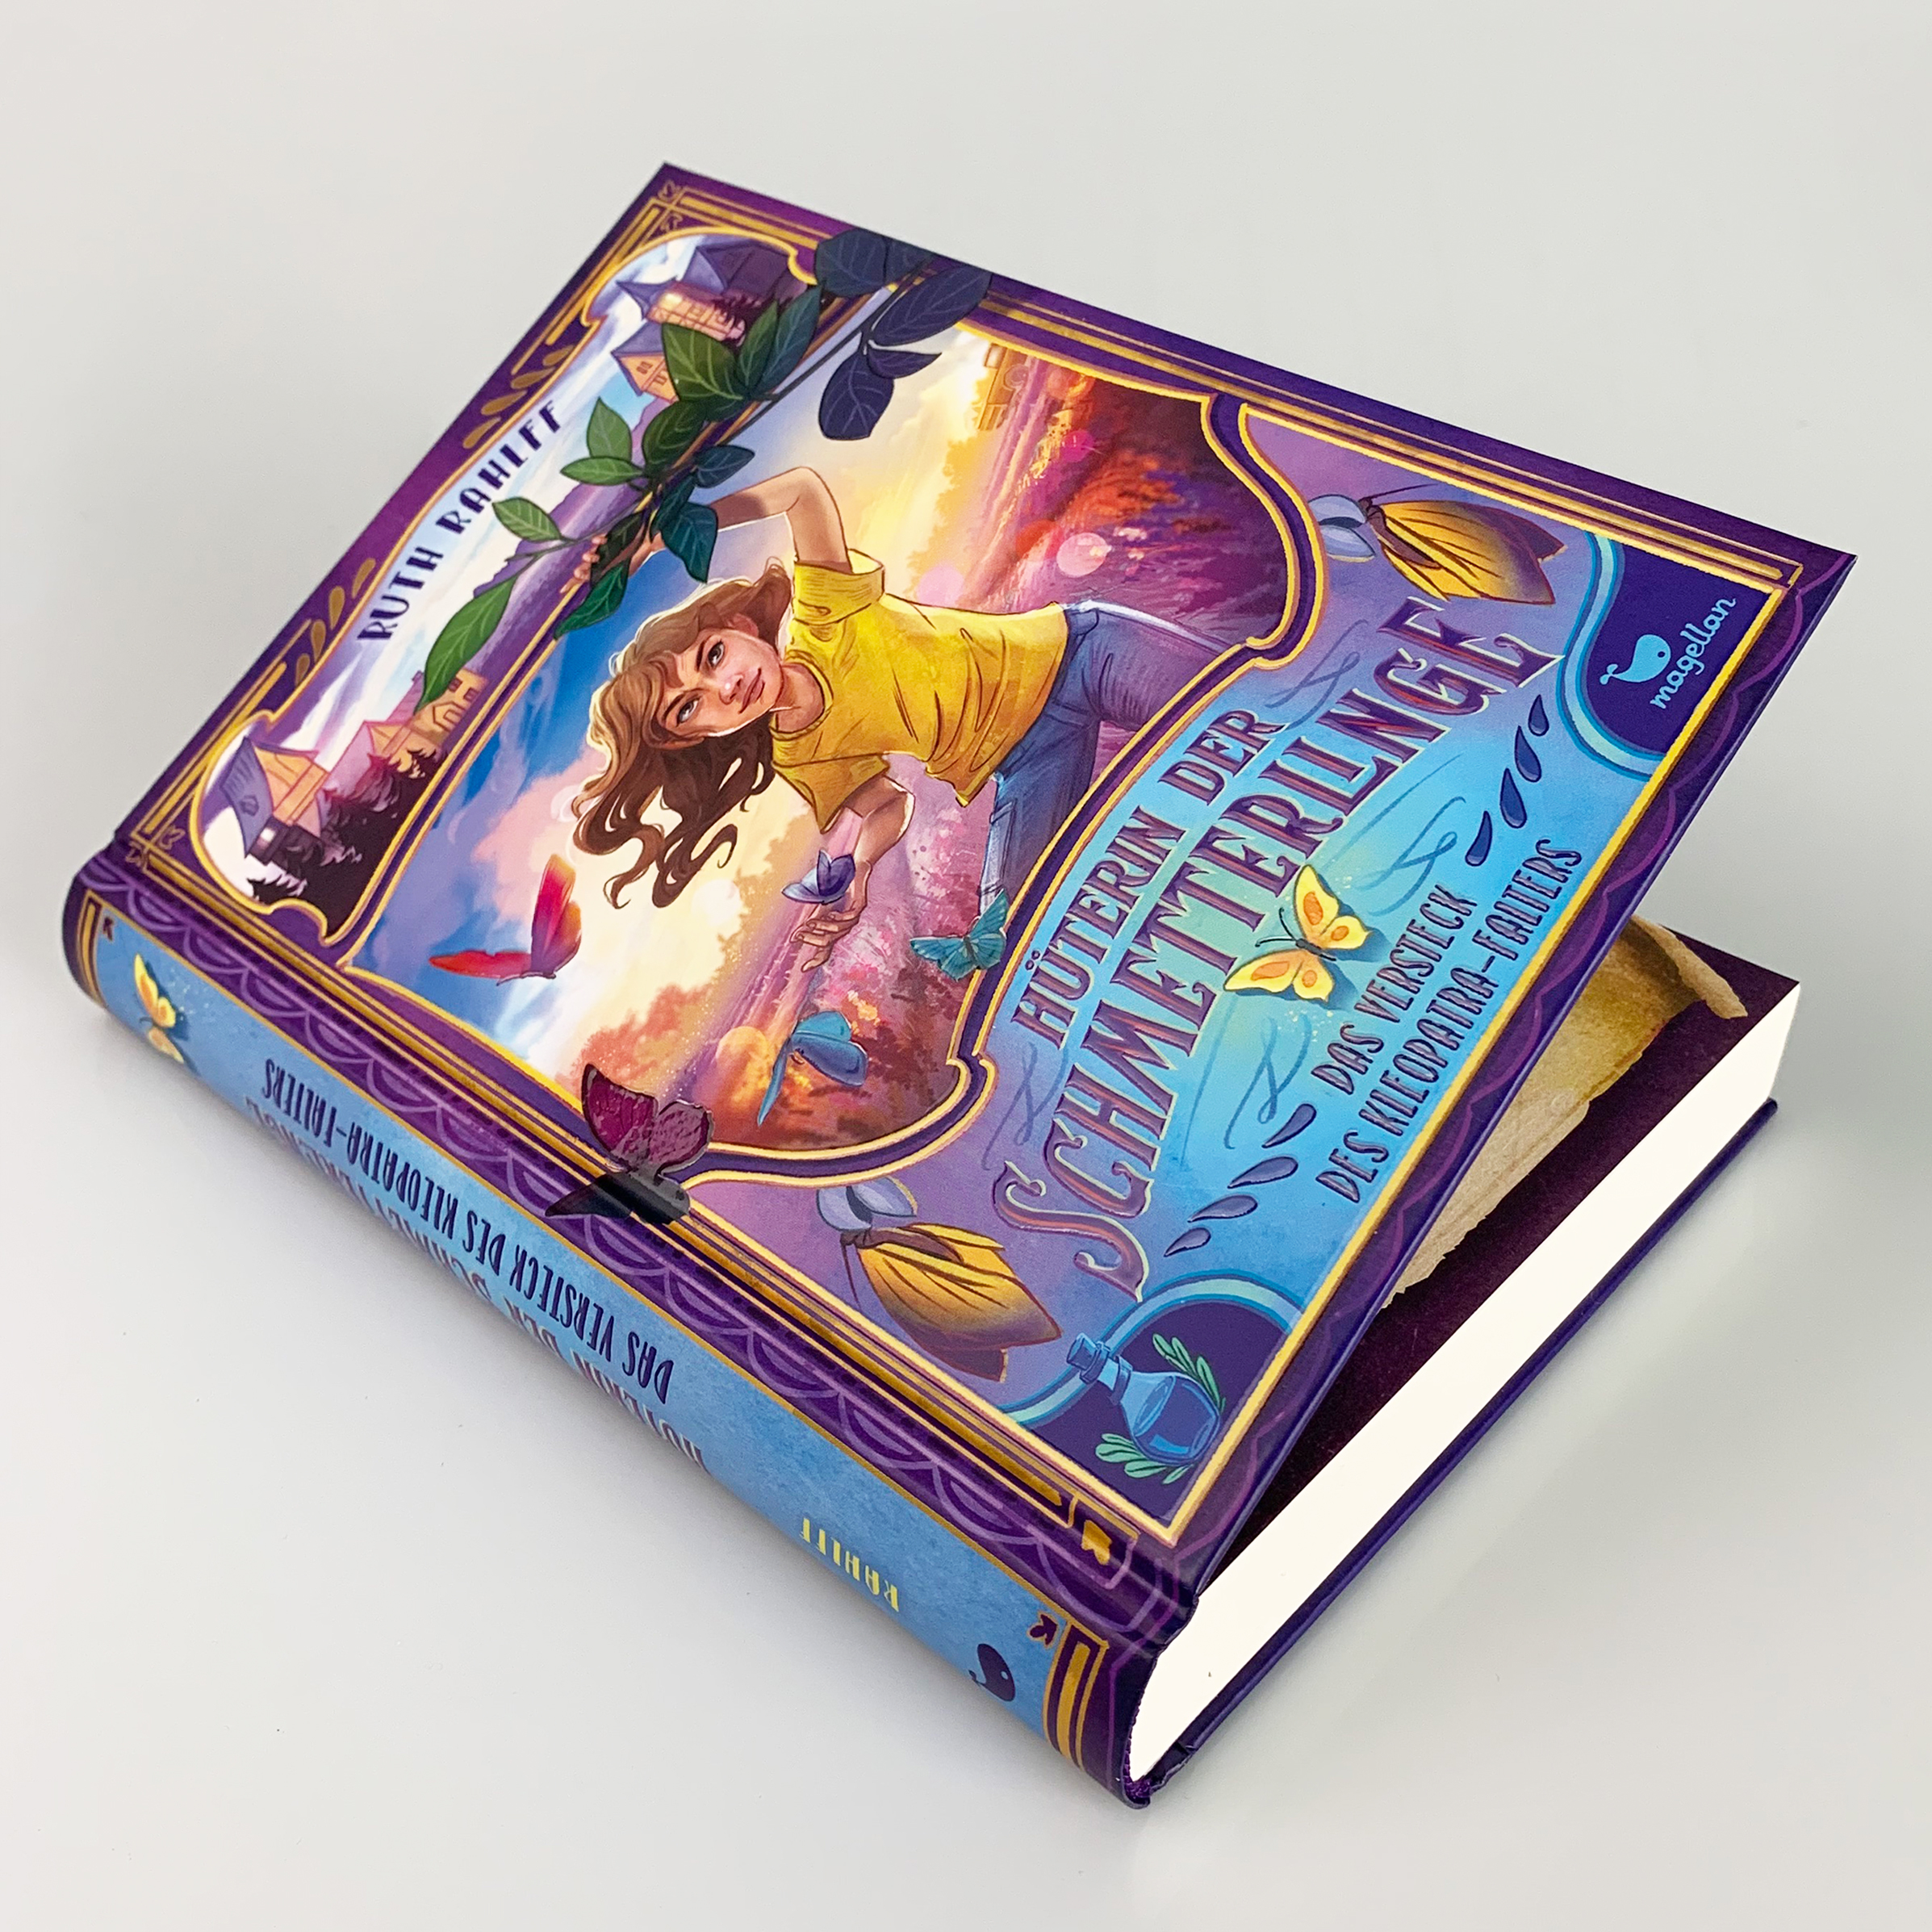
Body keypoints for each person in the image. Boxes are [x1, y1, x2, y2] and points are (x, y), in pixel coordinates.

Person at [572, 466, 1219, 968]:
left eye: (712, 656)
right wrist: (858, 872)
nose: (726, 685)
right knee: (1012, 945)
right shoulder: (796, 752)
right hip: (1025, 764)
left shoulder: (825, 614)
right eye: (691, 707)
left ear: (740, 626)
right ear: (695, 738)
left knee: (1240, 708)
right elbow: (888, 803)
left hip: (1082, 653)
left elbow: (802, 491)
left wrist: (677, 529)